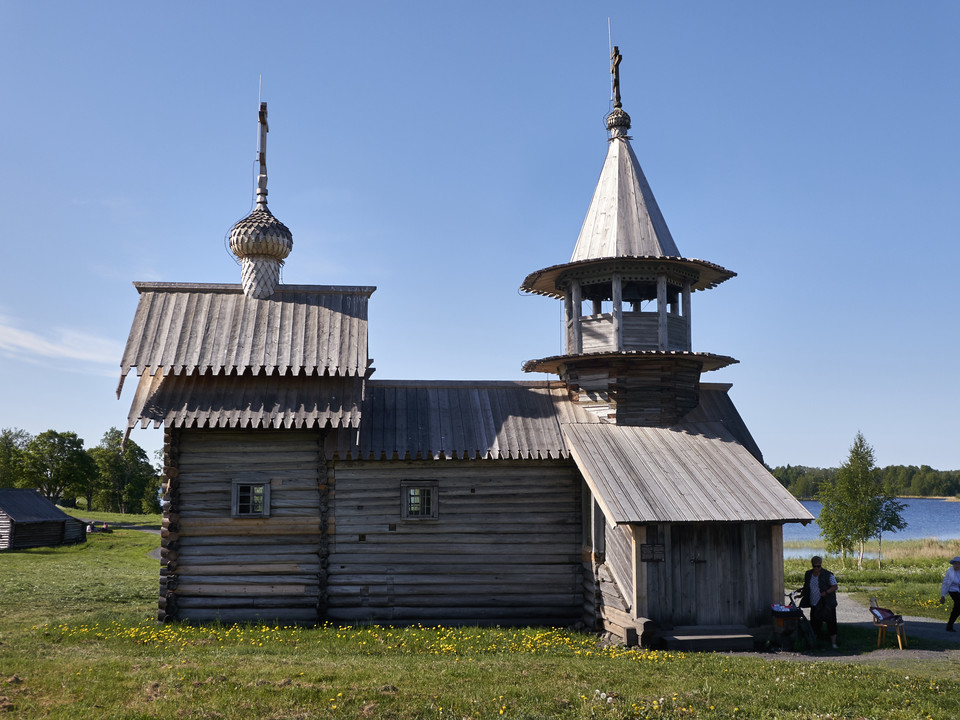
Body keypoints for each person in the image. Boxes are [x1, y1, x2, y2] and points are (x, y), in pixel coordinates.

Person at [799, 555, 839, 649]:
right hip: (814, 602)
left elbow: (835, 586)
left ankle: (834, 643)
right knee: (814, 623)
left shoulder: (828, 574)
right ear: (812, 565)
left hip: (827, 603)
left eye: (818, 566)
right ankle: (814, 642)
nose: (816, 568)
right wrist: (801, 595)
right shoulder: (808, 574)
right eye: (814, 566)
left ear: (821, 565)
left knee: (831, 622)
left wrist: (826, 592)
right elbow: (806, 586)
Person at [939, 556, 960, 631]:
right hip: (952, 589)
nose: (957, 565)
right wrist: (943, 595)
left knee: (957, 608)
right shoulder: (950, 571)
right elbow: (945, 583)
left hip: (959, 589)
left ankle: (949, 625)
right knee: (958, 604)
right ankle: (950, 625)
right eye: (956, 564)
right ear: (953, 564)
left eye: (959, 564)